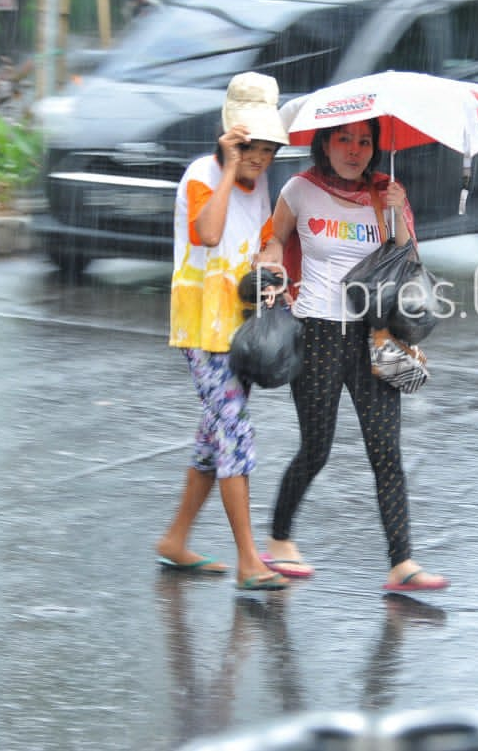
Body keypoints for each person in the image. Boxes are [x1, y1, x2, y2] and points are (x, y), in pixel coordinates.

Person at [256, 118, 450, 593]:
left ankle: (401, 561)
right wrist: (272, 258)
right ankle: (279, 538)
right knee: (316, 449)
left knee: (386, 450)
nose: (354, 149)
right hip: (316, 332)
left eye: (364, 141)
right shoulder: (299, 190)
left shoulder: (387, 193)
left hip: (374, 333)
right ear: (324, 142)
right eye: (344, 139)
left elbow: (407, 262)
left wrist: (399, 216)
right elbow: (275, 238)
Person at [157, 71, 292, 592]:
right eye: (250, 147)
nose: (259, 159)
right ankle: (249, 560)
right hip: (201, 330)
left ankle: (175, 539)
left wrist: (271, 268)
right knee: (236, 432)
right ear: (232, 136)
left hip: (240, 328)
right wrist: (228, 167)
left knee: (213, 442)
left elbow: (258, 245)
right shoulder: (200, 176)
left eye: (267, 149)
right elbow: (209, 232)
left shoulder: (259, 187)